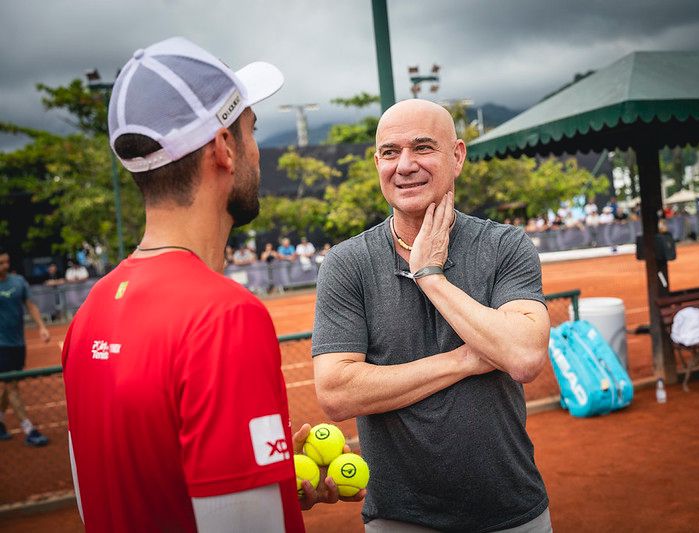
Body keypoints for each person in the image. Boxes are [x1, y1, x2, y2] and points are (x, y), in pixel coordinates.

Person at [61, 37, 360, 532]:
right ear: (224, 149)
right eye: (251, 131)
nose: (256, 151)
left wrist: (259, 472)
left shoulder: (90, 311)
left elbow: (101, 499)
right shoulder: (224, 317)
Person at [312, 99, 552, 532]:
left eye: (423, 147)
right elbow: (336, 393)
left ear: (457, 156)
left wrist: (430, 275)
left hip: (512, 512)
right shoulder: (346, 264)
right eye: (390, 152)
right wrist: (464, 361)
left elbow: (523, 357)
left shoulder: (505, 247)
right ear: (378, 163)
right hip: (398, 517)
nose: (405, 165)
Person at [0, 248, 51, 446]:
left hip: (18, 343)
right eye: (1, 263)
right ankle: (29, 429)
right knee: (12, 386)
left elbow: (30, 305)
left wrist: (42, 327)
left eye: (6, 262)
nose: (5, 266)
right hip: (1, 345)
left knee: (9, 384)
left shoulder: (18, 282)